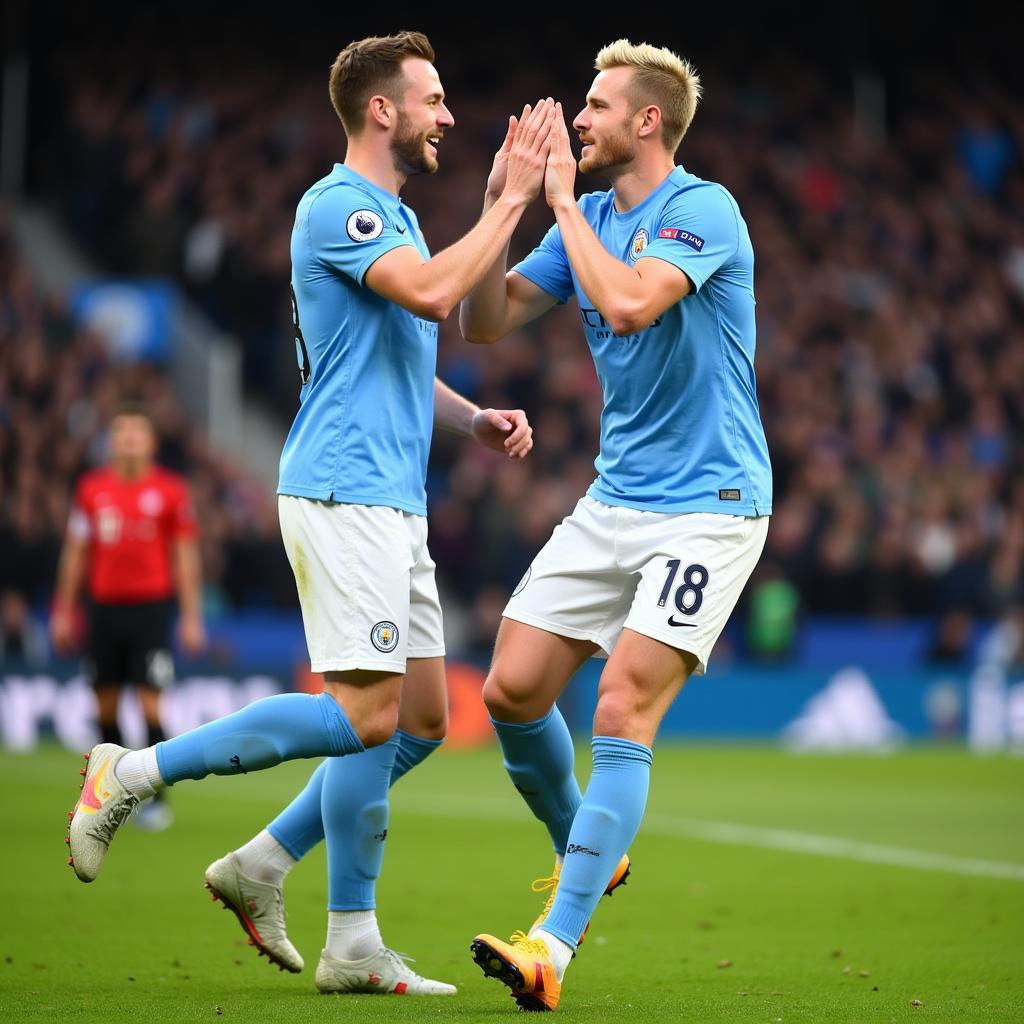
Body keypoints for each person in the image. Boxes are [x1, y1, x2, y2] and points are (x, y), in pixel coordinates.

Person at [66, 30, 551, 998]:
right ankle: (131, 771)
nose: (447, 116)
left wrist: (469, 418)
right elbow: (425, 294)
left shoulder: (401, 220)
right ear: (383, 110)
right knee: (364, 713)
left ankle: (319, 914)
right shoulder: (339, 208)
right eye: (433, 98)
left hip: (391, 497)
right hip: (342, 491)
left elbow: (399, 354)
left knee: (414, 718)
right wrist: (506, 202)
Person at [460, 39, 772, 1012]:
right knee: (510, 688)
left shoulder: (701, 210)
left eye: (595, 105)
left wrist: (555, 200)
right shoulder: (584, 214)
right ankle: (589, 845)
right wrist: (501, 206)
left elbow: (633, 305)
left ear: (648, 121)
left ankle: (556, 941)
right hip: (617, 499)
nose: (577, 118)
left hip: (710, 508)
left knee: (621, 705)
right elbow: (485, 320)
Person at [51, 403, 205, 831]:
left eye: (137, 435)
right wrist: (64, 609)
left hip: (151, 611)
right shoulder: (92, 490)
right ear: (112, 442)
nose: (129, 442)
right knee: (105, 706)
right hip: (103, 611)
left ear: (151, 444)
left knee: (151, 702)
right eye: (122, 435)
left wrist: (191, 616)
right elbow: (76, 552)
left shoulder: (171, 491)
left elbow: (185, 554)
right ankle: (113, 798)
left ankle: (155, 799)